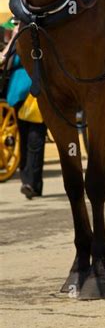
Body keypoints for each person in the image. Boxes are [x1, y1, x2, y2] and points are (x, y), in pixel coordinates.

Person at [1, 21, 47, 199]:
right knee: (28, 137)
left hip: (32, 90)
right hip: (22, 90)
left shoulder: (31, 36)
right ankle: (29, 181)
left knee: (34, 138)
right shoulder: (19, 38)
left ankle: (32, 182)